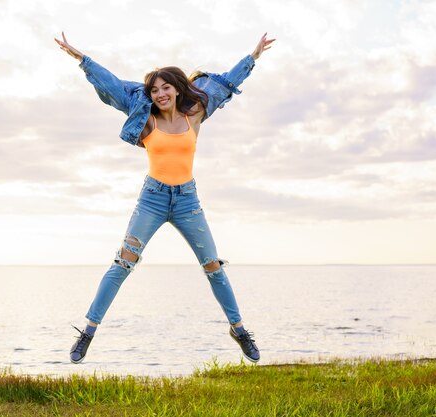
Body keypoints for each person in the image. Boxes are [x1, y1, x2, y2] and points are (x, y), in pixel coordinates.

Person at [54, 32, 275, 364]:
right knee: (123, 262)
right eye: (154, 90)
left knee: (213, 266)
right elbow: (112, 84)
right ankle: (88, 331)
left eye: (165, 88)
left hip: (187, 200)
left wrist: (253, 56)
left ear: (177, 88)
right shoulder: (145, 117)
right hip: (153, 198)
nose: (159, 94)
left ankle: (239, 329)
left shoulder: (196, 111)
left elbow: (227, 82)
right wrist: (82, 59)